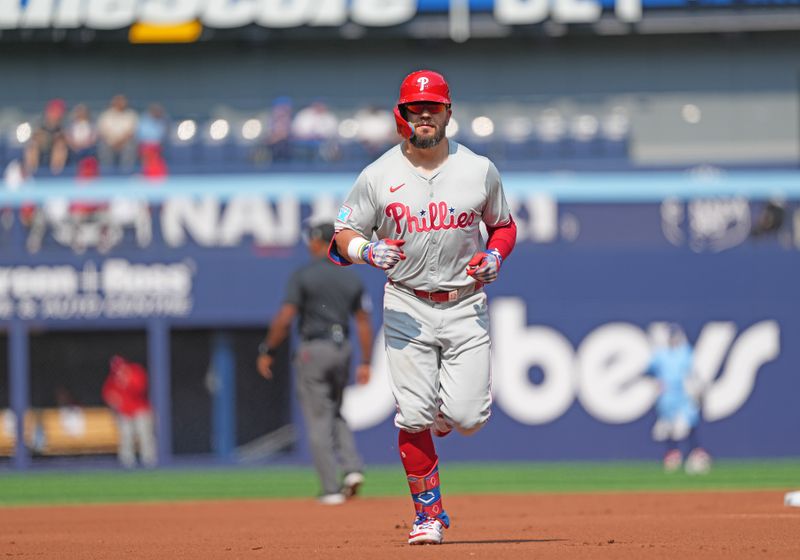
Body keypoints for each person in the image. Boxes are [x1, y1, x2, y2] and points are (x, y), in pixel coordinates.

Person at [328, 69, 517, 545]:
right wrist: (367, 252)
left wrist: (495, 255)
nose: (425, 115)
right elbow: (341, 235)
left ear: (449, 113)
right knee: (412, 417)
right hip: (407, 303)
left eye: (433, 107)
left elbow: (504, 225)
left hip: (464, 303)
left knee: (470, 418)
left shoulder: (478, 169)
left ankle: (443, 412)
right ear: (402, 115)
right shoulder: (378, 174)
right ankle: (427, 515)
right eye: (416, 108)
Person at [257, 220, 374, 505]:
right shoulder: (351, 278)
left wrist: (268, 349)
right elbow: (363, 323)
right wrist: (366, 362)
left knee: (318, 418)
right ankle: (352, 468)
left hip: (314, 349)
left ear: (317, 242)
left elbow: (285, 317)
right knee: (335, 409)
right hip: (342, 349)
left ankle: (331, 488)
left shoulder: (304, 275)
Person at [647, 323, 712, 475]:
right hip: (667, 396)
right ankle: (672, 454)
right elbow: (649, 369)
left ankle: (695, 453)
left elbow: (693, 373)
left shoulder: (685, 352)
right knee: (668, 426)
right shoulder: (661, 354)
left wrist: (696, 389)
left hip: (683, 395)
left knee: (689, 422)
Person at [101, 354, 157, 468]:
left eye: (121, 367)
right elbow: (106, 393)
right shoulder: (113, 379)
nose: (119, 370)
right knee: (126, 436)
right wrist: (112, 399)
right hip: (124, 412)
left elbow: (141, 388)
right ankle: (127, 463)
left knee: (144, 434)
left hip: (140, 409)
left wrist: (127, 381)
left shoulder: (135, 371)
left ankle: (150, 461)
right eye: (116, 368)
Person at [24, 98, 69, 176]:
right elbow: (34, 136)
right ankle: (31, 172)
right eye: (53, 112)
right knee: (32, 146)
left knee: (60, 146)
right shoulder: (40, 123)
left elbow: (67, 139)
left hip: (56, 149)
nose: (54, 116)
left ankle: (55, 173)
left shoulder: (64, 126)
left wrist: (58, 138)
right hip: (42, 147)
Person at [97, 94, 139, 173]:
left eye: (122, 101)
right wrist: (112, 142)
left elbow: (131, 132)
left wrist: (120, 142)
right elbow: (102, 132)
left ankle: (126, 173)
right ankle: (107, 173)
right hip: (109, 142)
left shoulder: (131, 114)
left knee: (130, 146)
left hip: (125, 142)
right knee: (103, 145)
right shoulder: (106, 115)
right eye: (118, 101)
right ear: (113, 103)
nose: (120, 103)